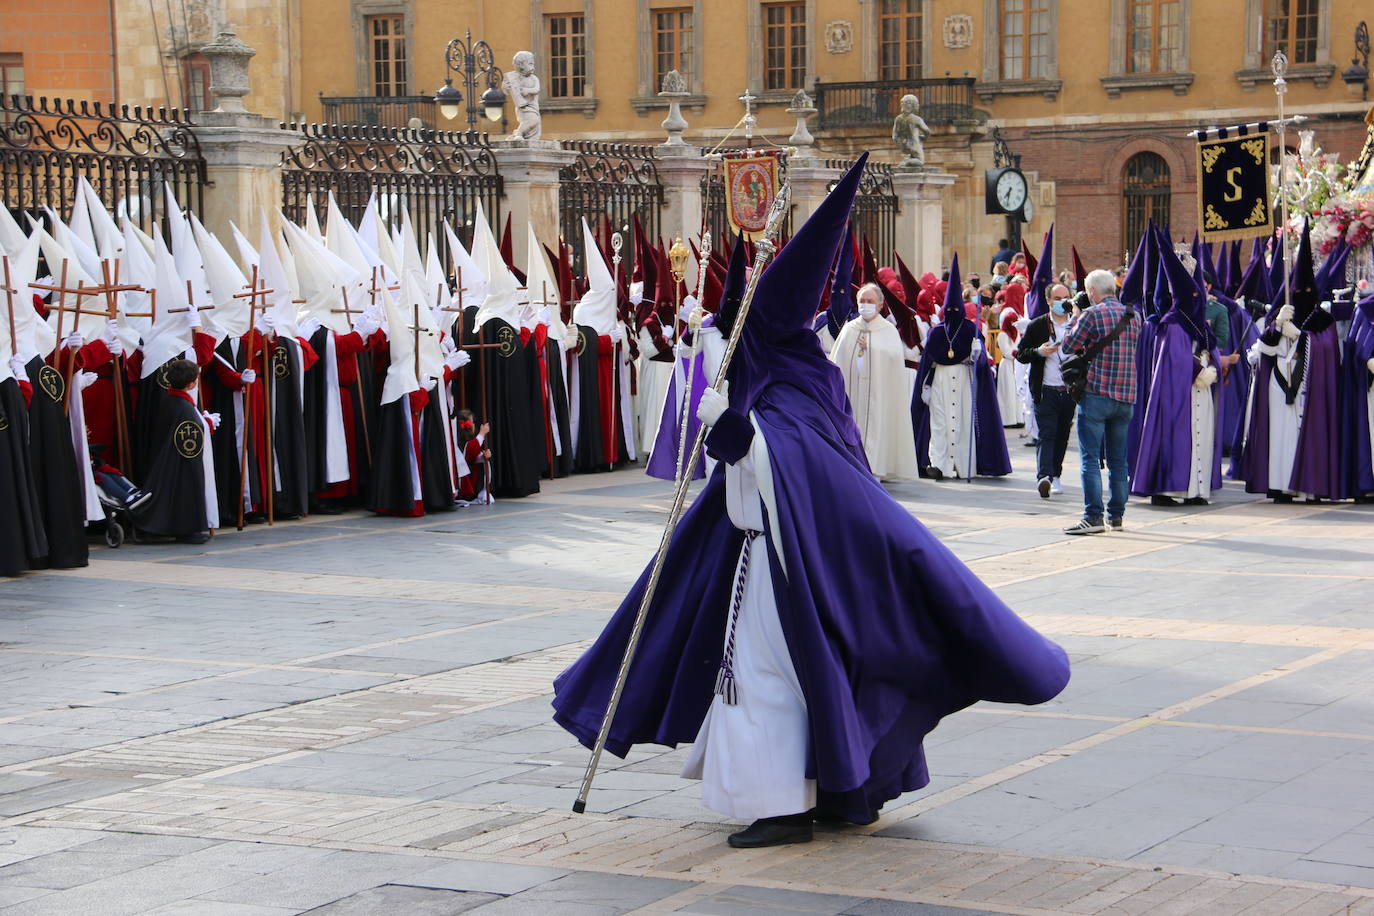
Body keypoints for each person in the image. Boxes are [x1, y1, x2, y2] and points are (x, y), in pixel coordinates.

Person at [552, 155, 1070, 850]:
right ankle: (834, 792)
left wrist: (736, 430)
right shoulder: (785, 370)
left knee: (767, 677)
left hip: (785, 563)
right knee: (788, 675)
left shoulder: (794, 379)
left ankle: (785, 804)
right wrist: (730, 419)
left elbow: (795, 461)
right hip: (766, 555)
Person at [1131, 245, 1223, 507]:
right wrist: (1198, 370)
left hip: (1200, 391)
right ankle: (1172, 488)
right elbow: (1173, 359)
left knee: (1201, 436)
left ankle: (1196, 490)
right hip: (1177, 393)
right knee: (1177, 437)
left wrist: (1210, 363)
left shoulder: (1198, 322)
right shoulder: (1171, 323)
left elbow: (1210, 346)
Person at [911, 255, 1011, 480]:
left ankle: (965, 465)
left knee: (964, 421)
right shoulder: (936, 332)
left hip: (965, 379)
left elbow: (982, 363)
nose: (953, 313)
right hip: (941, 381)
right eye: (950, 309)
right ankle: (940, 464)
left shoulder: (970, 329)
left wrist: (978, 353)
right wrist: (924, 386)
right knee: (940, 423)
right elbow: (928, 362)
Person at [1057, 268, 1139, 534]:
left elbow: (1068, 345)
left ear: (1091, 291)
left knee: (1090, 458)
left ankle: (1093, 517)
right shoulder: (1133, 315)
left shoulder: (1092, 314)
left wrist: (1075, 316)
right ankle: (1116, 516)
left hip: (1096, 393)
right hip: (1125, 395)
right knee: (1118, 460)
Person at [830, 282, 919, 481]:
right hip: (852, 391)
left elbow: (894, 358)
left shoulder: (887, 331)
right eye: (862, 301)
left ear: (880, 305)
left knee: (877, 425)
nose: (865, 304)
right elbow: (837, 360)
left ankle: (875, 468)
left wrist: (872, 347)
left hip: (879, 393)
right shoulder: (849, 329)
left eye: (870, 301)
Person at [132, 358, 219, 545]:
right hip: (183, 460)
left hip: (170, 457)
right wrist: (208, 423)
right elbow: (191, 432)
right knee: (186, 491)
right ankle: (186, 529)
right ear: (192, 383)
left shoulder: (171, 400)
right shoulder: (184, 407)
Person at [1017, 283, 1075, 498]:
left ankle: (1056, 475)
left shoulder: (1076, 324)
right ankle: (1044, 476)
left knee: (1062, 435)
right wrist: (1039, 352)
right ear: (1048, 300)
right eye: (1057, 297)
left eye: (1066, 297)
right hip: (1045, 389)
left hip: (1069, 390)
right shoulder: (1038, 325)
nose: (1062, 301)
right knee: (1047, 434)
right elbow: (1021, 354)